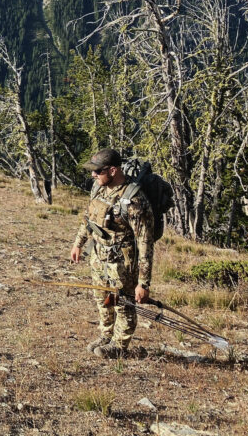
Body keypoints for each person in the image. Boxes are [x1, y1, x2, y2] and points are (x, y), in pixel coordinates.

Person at [69, 148, 154, 358]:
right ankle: (106, 335)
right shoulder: (99, 190)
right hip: (98, 257)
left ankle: (119, 346)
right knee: (102, 299)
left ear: (113, 170)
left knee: (123, 304)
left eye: (97, 171)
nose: (93, 175)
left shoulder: (135, 201)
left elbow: (145, 242)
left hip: (122, 264)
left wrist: (143, 283)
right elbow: (88, 219)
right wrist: (78, 244)